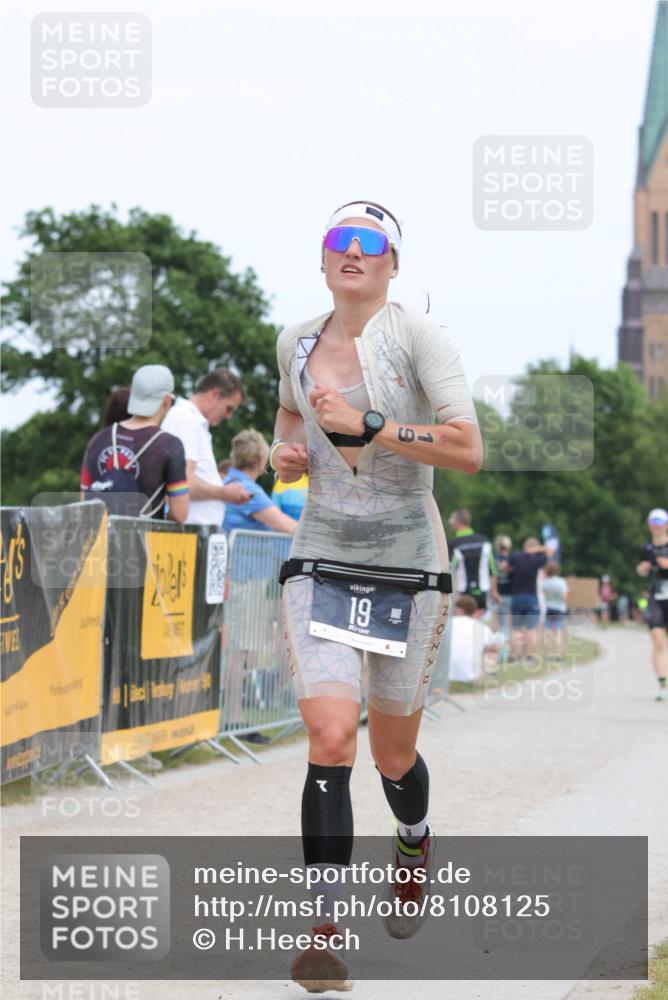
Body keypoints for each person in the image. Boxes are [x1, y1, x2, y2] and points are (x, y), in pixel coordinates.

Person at [272, 199, 481, 991]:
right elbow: (290, 421)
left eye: (372, 243)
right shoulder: (294, 340)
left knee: (393, 758)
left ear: (393, 264)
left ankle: (415, 837)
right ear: (323, 259)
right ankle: (323, 930)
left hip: (407, 555)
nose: (353, 252)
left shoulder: (419, 338)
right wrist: (291, 457)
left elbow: (467, 448)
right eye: (339, 240)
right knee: (331, 737)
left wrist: (371, 423)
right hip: (321, 548)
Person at [221, 431, 298, 745]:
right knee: (238, 650)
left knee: (239, 649)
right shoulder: (247, 489)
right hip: (242, 578)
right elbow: (285, 525)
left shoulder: (230, 484)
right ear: (260, 460)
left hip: (237, 577)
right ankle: (233, 718)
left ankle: (232, 716)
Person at [80, 364, 189, 522]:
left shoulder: (98, 439)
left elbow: (84, 500)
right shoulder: (170, 445)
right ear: (166, 400)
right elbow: (179, 513)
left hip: (99, 540)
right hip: (145, 542)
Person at [161, 368, 250, 525]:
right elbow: (182, 481)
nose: (229, 416)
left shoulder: (191, 420)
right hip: (189, 533)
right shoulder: (185, 418)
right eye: (229, 408)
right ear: (214, 395)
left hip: (195, 533)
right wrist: (224, 493)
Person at [636, 507, 668, 702]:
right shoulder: (646, 548)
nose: (656, 527)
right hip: (656, 597)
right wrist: (641, 569)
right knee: (658, 640)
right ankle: (663, 684)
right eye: (653, 523)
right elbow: (641, 571)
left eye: (660, 523)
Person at [503, 537, 548, 664]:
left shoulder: (516, 556)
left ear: (524, 546)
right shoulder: (538, 559)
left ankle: (516, 656)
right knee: (531, 629)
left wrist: (512, 570)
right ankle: (528, 657)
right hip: (531, 597)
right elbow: (549, 552)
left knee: (516, 629)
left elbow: (504, 567)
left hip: (516, 596)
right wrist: (540, 549)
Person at [448, 509, 499, 611]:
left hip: (461, 593)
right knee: (479, 624)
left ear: (457, 522)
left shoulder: (453, 545)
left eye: (451, 520)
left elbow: (449, 570)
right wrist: (494, 591)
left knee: (462, 624)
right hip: (483, 592)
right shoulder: (484, 541)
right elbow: (492, 569)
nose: (450, 523)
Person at [449, 595, 499, 682]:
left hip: (445, 677)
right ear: (473, 611)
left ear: (459, 609)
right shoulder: (482, 628)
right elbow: (494, 649)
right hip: (472, 677)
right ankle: (490, 675)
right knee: (492, 649)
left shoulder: (447, 624)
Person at [541, 562, 569, 660]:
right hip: (559, 609)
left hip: (549, 608)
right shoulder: (561, 581)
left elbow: (544, 595)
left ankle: (546, 654)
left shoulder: (545, 582)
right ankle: (558, 654)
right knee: (558, 632)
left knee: (547, 632)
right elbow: (564, 596)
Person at [492, 533, 513, 641]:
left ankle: (499, 642)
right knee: (509, 623)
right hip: (510, 593)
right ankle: (506, 643)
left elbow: (492, 576)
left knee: (498, 622)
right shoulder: (512, 559)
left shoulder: (494, 559)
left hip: (497, 593)